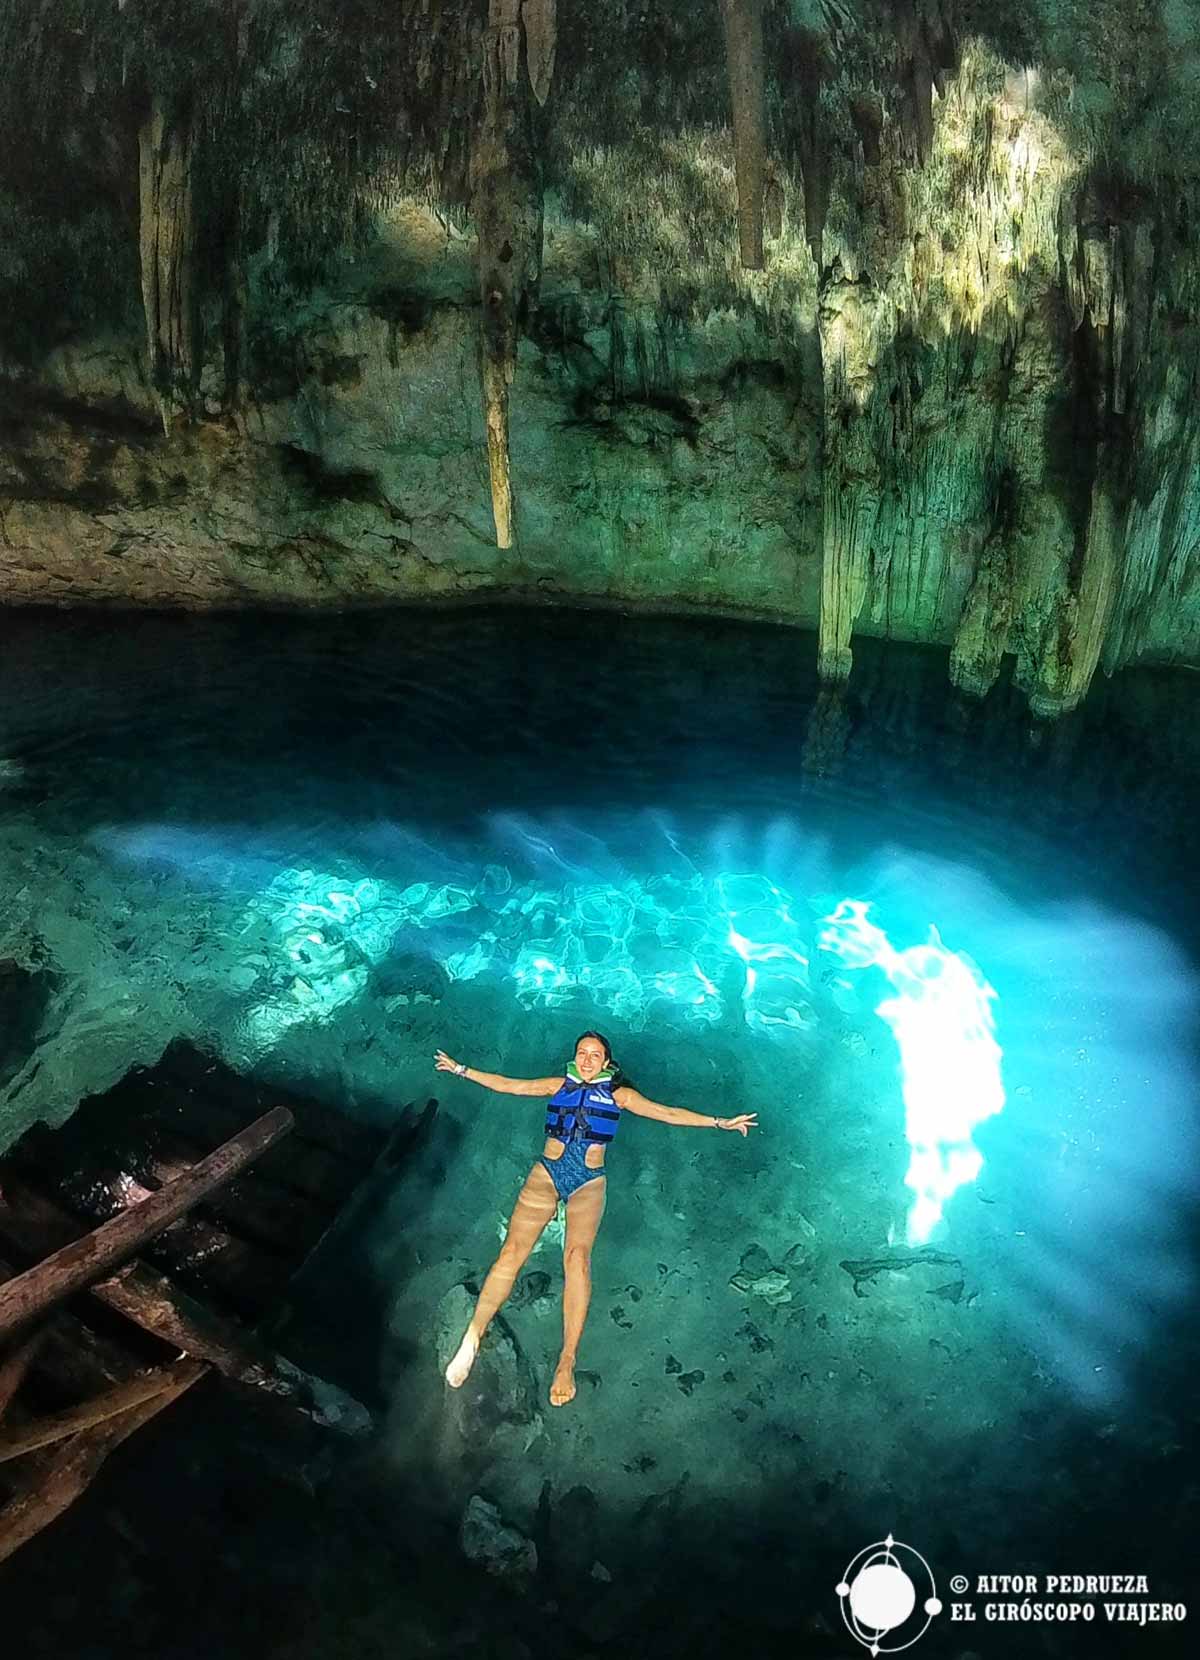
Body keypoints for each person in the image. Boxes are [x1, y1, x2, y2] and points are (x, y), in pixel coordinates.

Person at [434, 1030, 757, 1407]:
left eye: (595, 1054)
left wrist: (721, 1122)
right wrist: (460, 1069)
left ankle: (566, 1360)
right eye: (581, 1052)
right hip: (547, 1173)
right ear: (575, 1058)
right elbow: (510, 1086)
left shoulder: (621, 1095)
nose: (587, 1059)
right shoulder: (558, 1085)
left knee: (577, 1260)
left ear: (606, 1063)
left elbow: (668, 1113)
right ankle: (472, 1337)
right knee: (511, 1255)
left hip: (588, 1183)